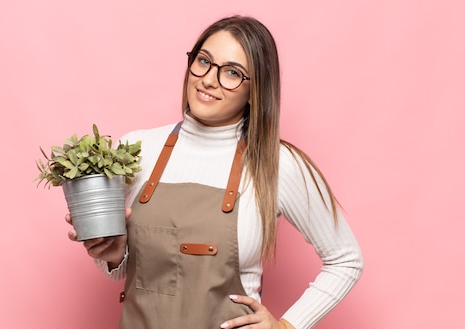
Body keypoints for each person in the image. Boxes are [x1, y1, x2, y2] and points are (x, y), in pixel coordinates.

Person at [65, 15, 363, 329]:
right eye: (204, 61)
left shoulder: (276, 163)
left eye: (232, 72)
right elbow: (126, 271)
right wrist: (113, 255)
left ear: (255, 90)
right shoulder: (136, 149)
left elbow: (346, 260)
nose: (209, 79)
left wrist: (287, 326)